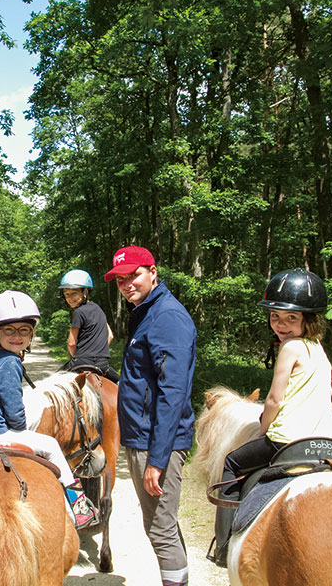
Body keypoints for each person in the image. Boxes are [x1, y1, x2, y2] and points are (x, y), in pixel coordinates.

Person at [208, 268, 332, 567]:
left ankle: (224, 547)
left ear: (309, 319)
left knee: (231, 462)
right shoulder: (318, 349)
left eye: (291, 318)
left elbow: (274, 398)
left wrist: (262, 429)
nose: (280, 325)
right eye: (275, 317)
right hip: (330, 442)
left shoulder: (290, 347)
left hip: (287, 440)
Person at [0, 290, 98, 529]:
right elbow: (16, 416)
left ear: (31, 334)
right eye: (9, 330)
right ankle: (78, 510)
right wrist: (18, 426)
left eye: (23, 330)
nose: (17, 336)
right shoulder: (10, 363)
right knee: (51, 446)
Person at [104, 246, 196, 586]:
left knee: (160, 530)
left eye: (134, 275)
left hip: (157, 441)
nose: (127, 284)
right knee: (163, 526)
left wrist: (157, 459)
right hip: (143, 436)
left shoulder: (166, 316)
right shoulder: (145, 311)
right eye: (120, 280)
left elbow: (173, 393)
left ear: (153, 272)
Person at [58, 269, 119, 382]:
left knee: (53, 385)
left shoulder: (78, 312)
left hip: (81, 362)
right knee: (121, 385)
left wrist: (77, 359)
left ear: (85, 292)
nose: (70, 298)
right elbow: (110, 335)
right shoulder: (99, 309)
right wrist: (99, 352)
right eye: (67, 294)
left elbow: (71, 343)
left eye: (74, 293)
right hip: (102, 365)